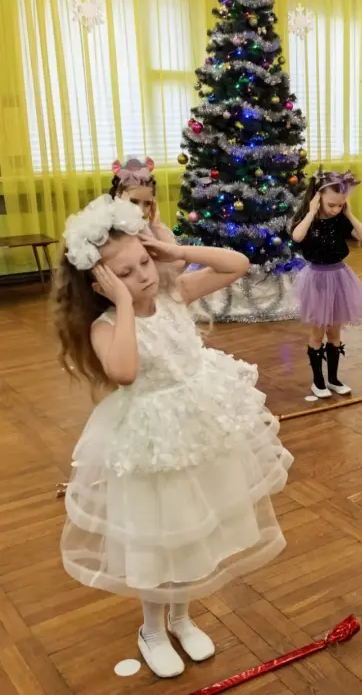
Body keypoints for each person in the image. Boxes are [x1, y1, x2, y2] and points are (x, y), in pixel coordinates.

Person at [51, 195, 292, 679]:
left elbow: (237, 264)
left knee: (192, 534)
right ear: (100, 284)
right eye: (125, 273)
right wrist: (123, 304)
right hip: (152, 449)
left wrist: (178, 251)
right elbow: (123, 371)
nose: (142, 276)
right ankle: (152, 629)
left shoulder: (175, 292)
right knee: (158, 542)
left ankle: (181, 619)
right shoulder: (105, 326)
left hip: (197, 434)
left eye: (144, 262)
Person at [291, 170, 362, 397]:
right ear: (318, 197)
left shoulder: (340, 219)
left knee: (335, 333)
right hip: (317, 280)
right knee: (318, 333)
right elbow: (297, 236)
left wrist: (350, 214)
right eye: (331, 204)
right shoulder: (308, 220)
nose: (335, 209)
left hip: (339, 278)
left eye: (340, 205)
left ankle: (334, 379)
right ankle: (318, 382)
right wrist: (311, 211)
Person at [109, 156, 184, 273]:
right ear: (118, 197)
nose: (140, 210)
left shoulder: (152, 229)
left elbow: (179, 263)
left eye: (147, 203)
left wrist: (156, 226)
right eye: (133, 202)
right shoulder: (111, 231)